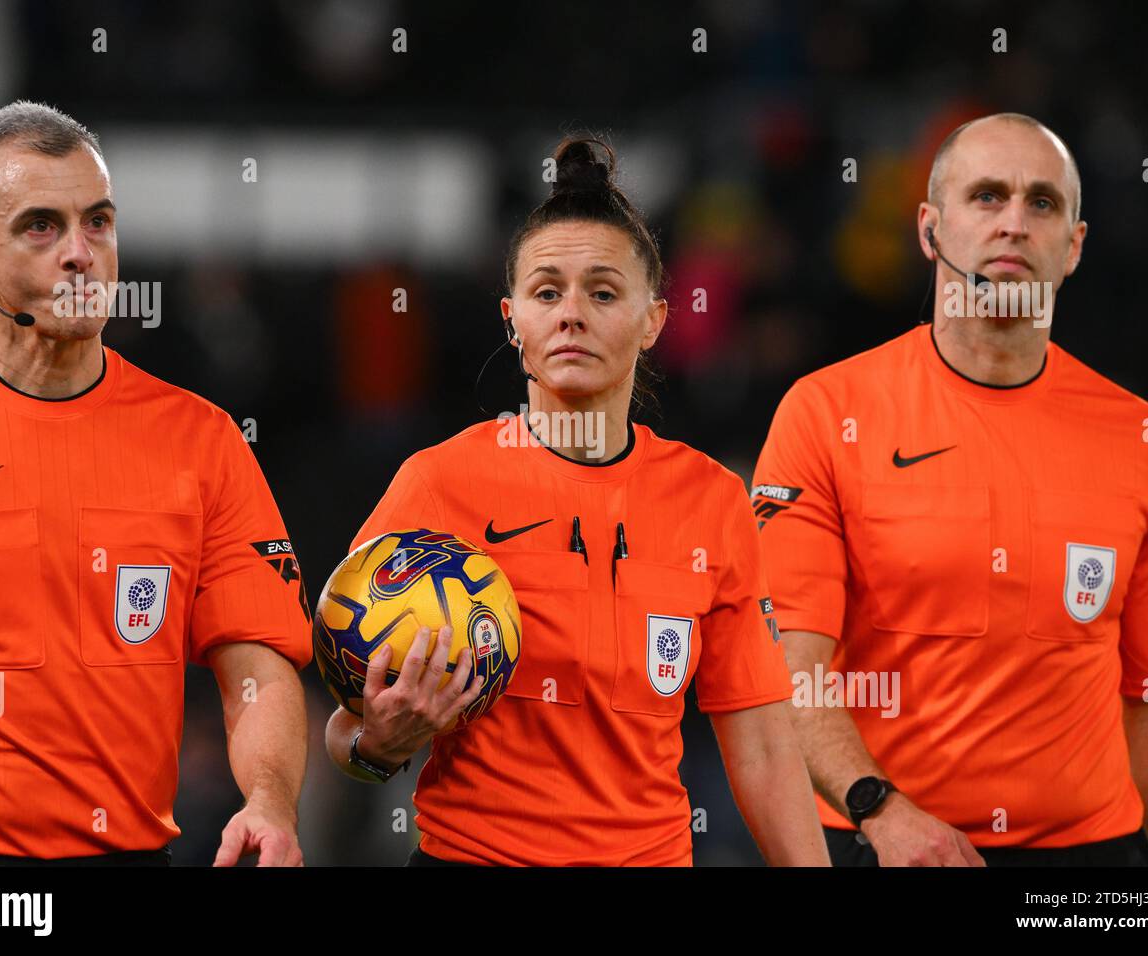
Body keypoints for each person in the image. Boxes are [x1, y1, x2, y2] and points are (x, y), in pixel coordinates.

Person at [322, 137, 827, 867]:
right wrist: (380, 745)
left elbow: (767, 748)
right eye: (547, 291)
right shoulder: (438, 483)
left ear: (653, 320)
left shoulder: (713, 501)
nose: (571, 314)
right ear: (512, 318)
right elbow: (345, 730)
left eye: (603, 291)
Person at [754, 112, 1148, 866]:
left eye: (1043, 203)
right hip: (884, 842)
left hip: (1087, 872)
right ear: (930, 230)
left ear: (1075, 247)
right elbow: (785, 672)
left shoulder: (1142, 437)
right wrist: (882, 812)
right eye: (987, 197)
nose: (1014, 225)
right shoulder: (827, 413)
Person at [0, 101, 311, 866]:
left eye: (98, 222)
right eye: (40, 226)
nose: (80, 253)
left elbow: (256, 664)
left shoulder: (203, 442)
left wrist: (268, 798)